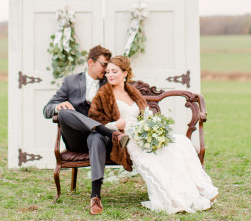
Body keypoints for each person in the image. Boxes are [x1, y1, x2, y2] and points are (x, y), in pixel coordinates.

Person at [88, 55, 218, 214]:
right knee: (157, 155)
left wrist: (152, 127)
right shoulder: (103, 95)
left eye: (114, 71)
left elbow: (145, 113)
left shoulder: (133, 91)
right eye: (107, 72)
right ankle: (179, 194)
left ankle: (198, 187)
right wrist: (116, 125)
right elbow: (94, 123)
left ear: (125, 73)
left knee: (180, 142)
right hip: (124, 139)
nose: (110, 75)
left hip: (142, 133)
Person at [42, 45, 129, 215]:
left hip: (98, 139)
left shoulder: (109, 82)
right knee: (65, 112)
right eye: (104, 65)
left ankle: (95, 196)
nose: (107, 70)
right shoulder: (71, 82)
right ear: (91, 62)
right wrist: (57, 106)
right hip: (76, 138)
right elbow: (46, 109)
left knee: (96, 136)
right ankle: (109, 133)